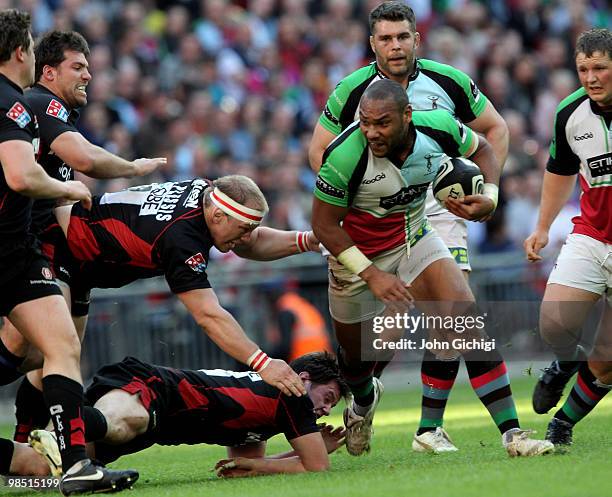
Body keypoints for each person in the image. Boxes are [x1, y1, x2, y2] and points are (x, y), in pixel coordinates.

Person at [308, 1, 510, 454]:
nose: (395, 46)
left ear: (417, 38)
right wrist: (360, 191)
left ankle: (430, 428)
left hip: (436, 209)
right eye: (385, 38)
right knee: (383, 335)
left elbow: (494, 131)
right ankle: (363, 397)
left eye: (402, 37)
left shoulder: (449, 81)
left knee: (455, 314)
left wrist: (480, 189)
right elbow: (319, 151)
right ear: (372, 43)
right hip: (363, 216)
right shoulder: (350, 89)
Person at [312, 79, 553, 458]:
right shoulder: (342, 155)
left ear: (408, 116)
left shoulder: (437, 125)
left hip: (414, 237)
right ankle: (362, 401)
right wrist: (372, 275)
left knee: (467, 324)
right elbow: (323, 226)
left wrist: (489, 197)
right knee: (356, 362)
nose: (372, 132)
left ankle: (513, 434)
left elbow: (486, 148)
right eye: (365, 122)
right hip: (355, 257)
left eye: (383, 123)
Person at [2, 175, 315, 420]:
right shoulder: (183, 239)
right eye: (244, 228)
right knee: (49, 351)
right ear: (218, 216)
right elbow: (208, 315)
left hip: (78, 258)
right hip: (58, 247)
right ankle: (72, 460)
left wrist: (307, 241)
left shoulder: (207, 193)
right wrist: (263, 364)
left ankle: (28, 444)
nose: (246, 236)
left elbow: (250, 241)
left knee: (44, 358)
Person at [3, 29, 166, 446]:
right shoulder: (40, 102)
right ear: (49, 71)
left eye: (89, 67)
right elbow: (85, 158)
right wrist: (133, 168)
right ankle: (61, 456)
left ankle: (40, 456)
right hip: (31, 247)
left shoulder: (45, 110)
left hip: (59, 251)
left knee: (53, 355)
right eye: (78, 67)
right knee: (40, 350)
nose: (88, 75)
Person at [17, 352, 348, 478]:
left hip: (153, 414)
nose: (325, 409)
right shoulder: (291, 396)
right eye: (328, 397)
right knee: (122, 424)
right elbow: (316, 466)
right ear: (303, 380)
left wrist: (298, 452)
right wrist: (316, 453)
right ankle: (53, 412)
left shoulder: (264, 420)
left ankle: (46, 425)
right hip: (155, 389)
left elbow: (241, 465)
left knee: (40, 469)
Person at [524, 28, 612, 446]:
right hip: (593, 236)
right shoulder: (568, 113)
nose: (591, 78)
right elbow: (559, 171)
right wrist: (542, 227)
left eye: (600, 68)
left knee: (608, 358)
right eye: (583, 69)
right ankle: (562, 365)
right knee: (554, 324)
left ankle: (563, 425)